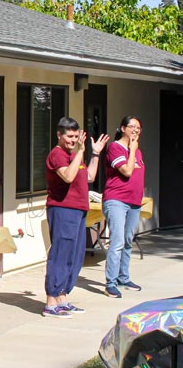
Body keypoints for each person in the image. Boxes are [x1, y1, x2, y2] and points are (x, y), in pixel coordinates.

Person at [44, 117, 109, 318]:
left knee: (75, 255)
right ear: (59, 135)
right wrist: (80, 151)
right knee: (61, 253)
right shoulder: (57, 154)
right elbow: (68, 176)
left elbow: (88, 176)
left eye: (75, 136)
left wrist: (95, 153)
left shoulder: (73, 155)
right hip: (63, 209)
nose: (73, 140)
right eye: (69, 136)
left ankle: (63, 298)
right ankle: (51, 302)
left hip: (79, 209)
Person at [103, 116, 145, 298]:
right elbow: (127, 171)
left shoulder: (137, 152)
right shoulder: (115, 148)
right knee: (117, 241)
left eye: (138, 128)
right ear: (122, 128)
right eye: (132, 127)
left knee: (128, 241)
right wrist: (133, 149)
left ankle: (123, 277)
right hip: (117, 200)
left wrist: (135, 150)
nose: (135, 130)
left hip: (134, 202)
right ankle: (110, 283)